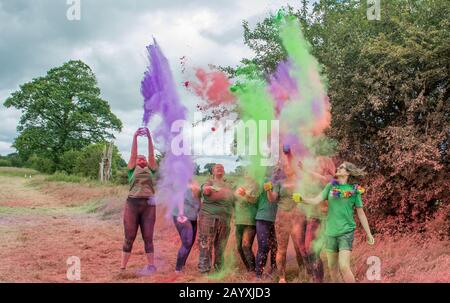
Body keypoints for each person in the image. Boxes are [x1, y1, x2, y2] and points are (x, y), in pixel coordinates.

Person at [293, 161, 375, 282]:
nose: (338, 168)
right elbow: (316, 200)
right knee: (332, 268)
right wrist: (302, 199)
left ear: (348, 173)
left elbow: (361, 213)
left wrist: (368, 233)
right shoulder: (330, 186)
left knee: (344, 266)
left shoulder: (354, 190)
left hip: (346, 232)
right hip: (330, 232)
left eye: (342, 167)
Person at [120, 127, 158, 276]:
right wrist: (135, 137)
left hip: (149, 205)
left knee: (148, 237)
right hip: (132, 204)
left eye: (144, 159)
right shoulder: (131, 169)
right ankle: (122, 267)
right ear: (135, 162)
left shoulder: (152, 169)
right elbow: (133, 153)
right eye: (139, 158)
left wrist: (149, 138)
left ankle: (151, 265)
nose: (141, 159)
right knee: (129, 237)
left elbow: (151, 154)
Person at [296, 156, 335, 282]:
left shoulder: (329, 178)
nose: (316, 166)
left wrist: (305, 170)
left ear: (325, 166)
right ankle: (314, 276)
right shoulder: (314, 180)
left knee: (311, 249)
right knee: (306, 249)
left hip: (318, 218)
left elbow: (323, 180)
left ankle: (318, 279)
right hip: (308, 216)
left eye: (318, 164)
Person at [198, 164, 234, 273]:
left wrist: (220, 193)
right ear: (212, 171)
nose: (220, 168)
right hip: (209, 217)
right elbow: (206, 191)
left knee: (221, 245)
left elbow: (233, 198)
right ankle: (204, 269)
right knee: (206, 244)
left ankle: (219, 268)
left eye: (222, 167)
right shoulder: (209, 182)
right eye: (217, 167)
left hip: (225, 219)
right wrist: (222, 193)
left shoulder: (228, 184)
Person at [254, 167, 281, 279]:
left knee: (275, 246)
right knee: (264, 246)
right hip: (263, 219)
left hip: (275, 220)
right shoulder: (264, 181)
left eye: (279, 170)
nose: (276, 171)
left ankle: (273, 270)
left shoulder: (280, 184)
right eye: (274, 169)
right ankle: (258, 275)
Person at [172, 179, 201, 273]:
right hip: (183, 216)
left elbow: (199, 201)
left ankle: (182, 265)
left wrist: (199, 214)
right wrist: (181, 213)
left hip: (193, 217)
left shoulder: (196, 184)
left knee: (190, 243)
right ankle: (178, 269)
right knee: (187, 242)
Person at [234, 175, 259, 272]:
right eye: (246, 171)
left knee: (246, 245)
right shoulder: (239, 184)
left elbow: (255, 200)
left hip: (250, 220)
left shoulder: (256, 186)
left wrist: (245, 194)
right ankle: (249, 269)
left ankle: (253, 270)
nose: (247, 174)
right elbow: (234, 200)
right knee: (239, 248)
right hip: (238, 220)